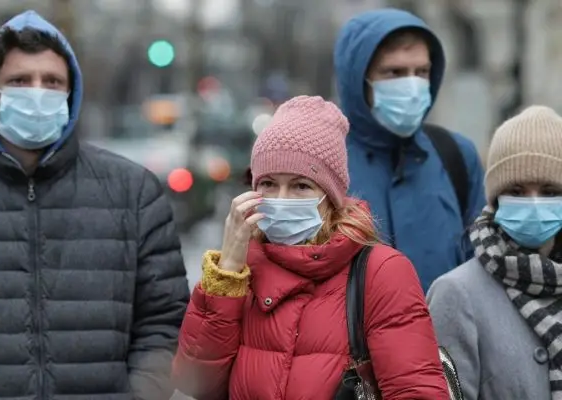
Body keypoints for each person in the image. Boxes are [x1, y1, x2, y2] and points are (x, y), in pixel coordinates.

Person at [0, 10, 189, 400]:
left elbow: (165, 321)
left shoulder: (132, 192)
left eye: (52, 82)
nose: (37, 93)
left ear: (72, 93)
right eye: (19, 81)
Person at [172, 96, 449, 399]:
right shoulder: (241, 272)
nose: (282, 198)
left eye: (301, 185)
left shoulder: (381, 273)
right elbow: (194, 381)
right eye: (268, 184)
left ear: (330, 196)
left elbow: (416, 390)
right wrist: (227, 272)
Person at [333, 8, 486, 291]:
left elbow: (480, 271)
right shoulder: (323, 162)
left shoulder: (456, 156)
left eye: (422, 72)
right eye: (395, 72)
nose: (412, 86)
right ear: (358, 78)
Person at [428, 105, 562, 399]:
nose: (534, 203)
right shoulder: (456, 294)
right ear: (496, 198)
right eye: (516, 190)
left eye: (550, 191)